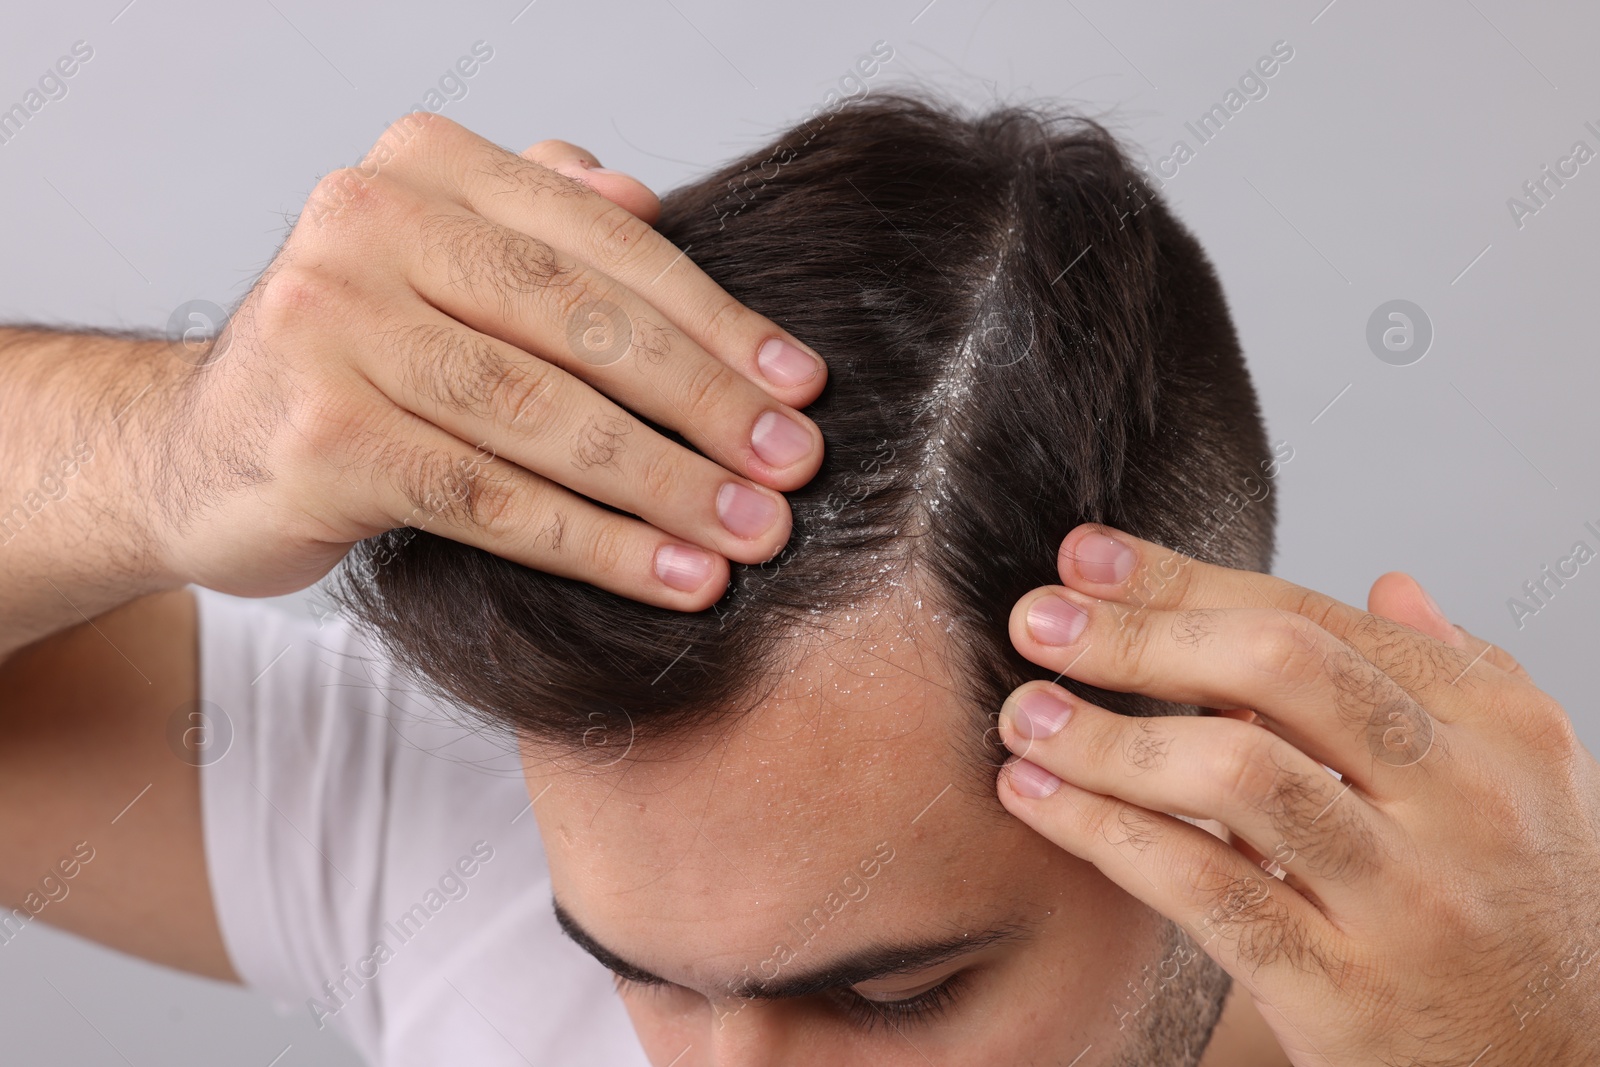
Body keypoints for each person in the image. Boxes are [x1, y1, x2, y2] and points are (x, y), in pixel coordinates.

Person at [0, 90, 1594, 1067]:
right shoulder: (445, 851)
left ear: (1223, 779)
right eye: (626, 974)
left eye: (894, 999)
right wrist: (164, 446)